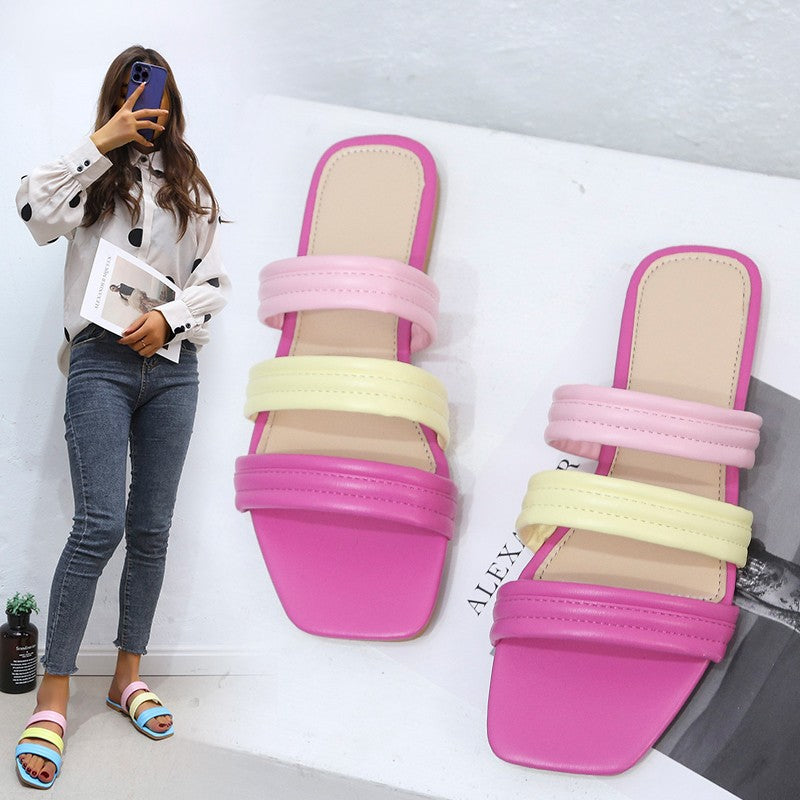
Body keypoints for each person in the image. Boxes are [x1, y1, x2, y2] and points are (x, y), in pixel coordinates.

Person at [13, 45, 229, 789]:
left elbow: (214, 282)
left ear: (174, 102)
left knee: (152, 528)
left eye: (159, 94)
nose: (149, 106)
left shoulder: (190, 187)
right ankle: (53, 695)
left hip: (173, 367)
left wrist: (170, 318)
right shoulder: (89, 175)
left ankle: (126, 675)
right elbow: (33, 213)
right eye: (135, 94)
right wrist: (98, 143)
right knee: (98, 524)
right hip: (100, 362)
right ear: (117, 99)